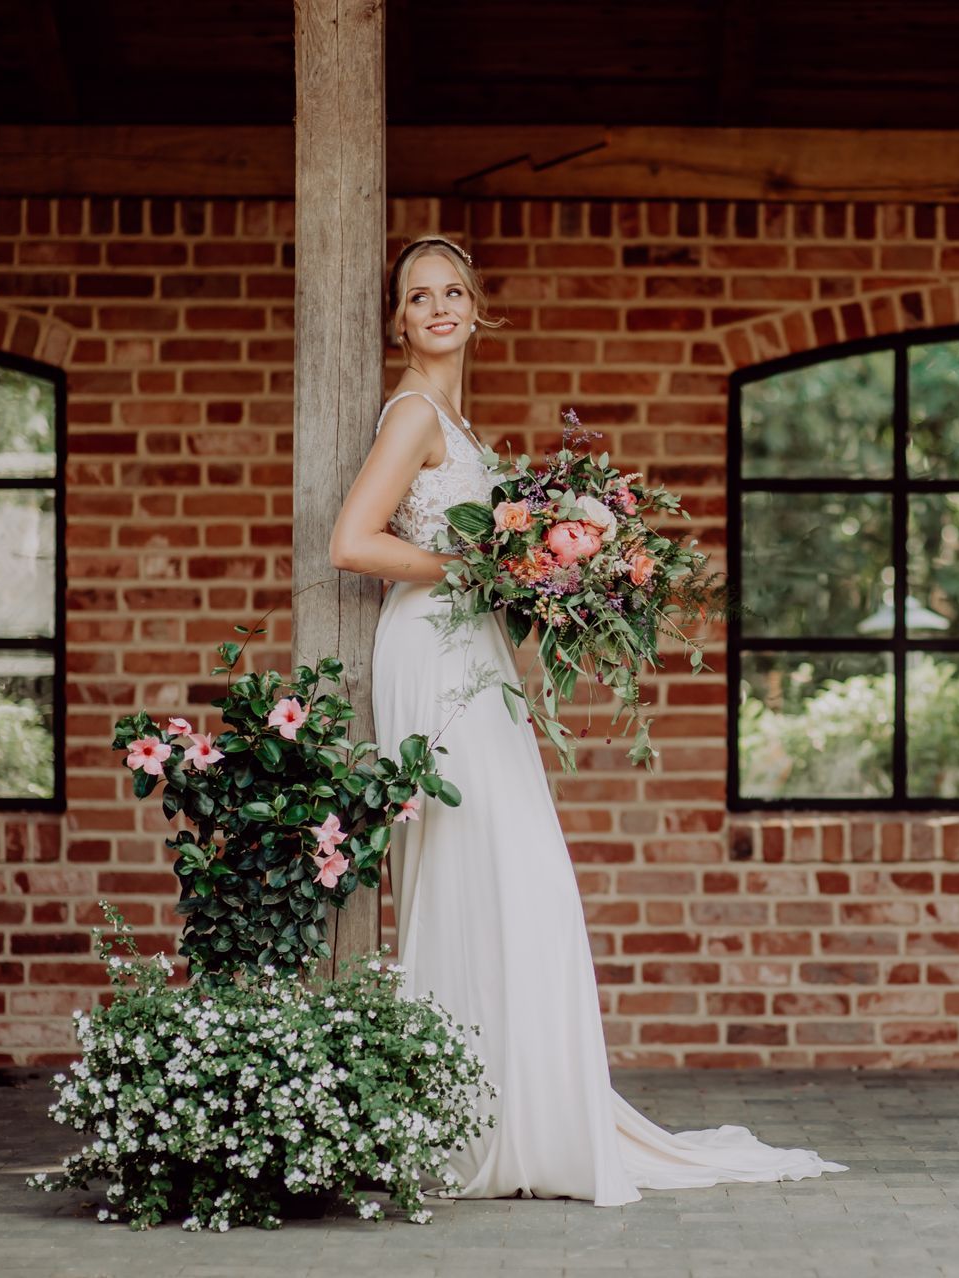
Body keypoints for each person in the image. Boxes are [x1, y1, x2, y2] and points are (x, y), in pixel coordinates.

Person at [328, 235, 848, 1206]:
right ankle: (474, 1119)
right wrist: (490, 567)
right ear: (398, 319)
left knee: (507, 874)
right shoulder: (412, 413)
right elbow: (352, 542)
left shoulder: (454, 417)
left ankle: (505, 1109)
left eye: (453, 291)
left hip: (469, 649)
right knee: (491, 866)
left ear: (477, 308)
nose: (438, 307)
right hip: (432, 653)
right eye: (418, 296)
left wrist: (536, 567)